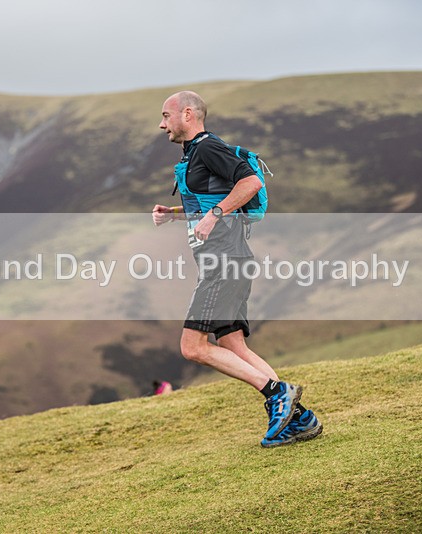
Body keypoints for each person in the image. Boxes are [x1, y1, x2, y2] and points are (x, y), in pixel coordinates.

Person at [152, 91, 322, 447]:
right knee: (232, 344)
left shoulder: (208, 147)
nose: (162, 124)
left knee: (193, 348)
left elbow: (251, 182)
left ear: (188, 114)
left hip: (224, 262)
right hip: (228, 260)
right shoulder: (193, 154)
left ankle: (278, 395)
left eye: (166, 116)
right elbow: (209, 203)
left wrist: (216, 214)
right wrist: (174, 214)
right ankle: (299, 418)